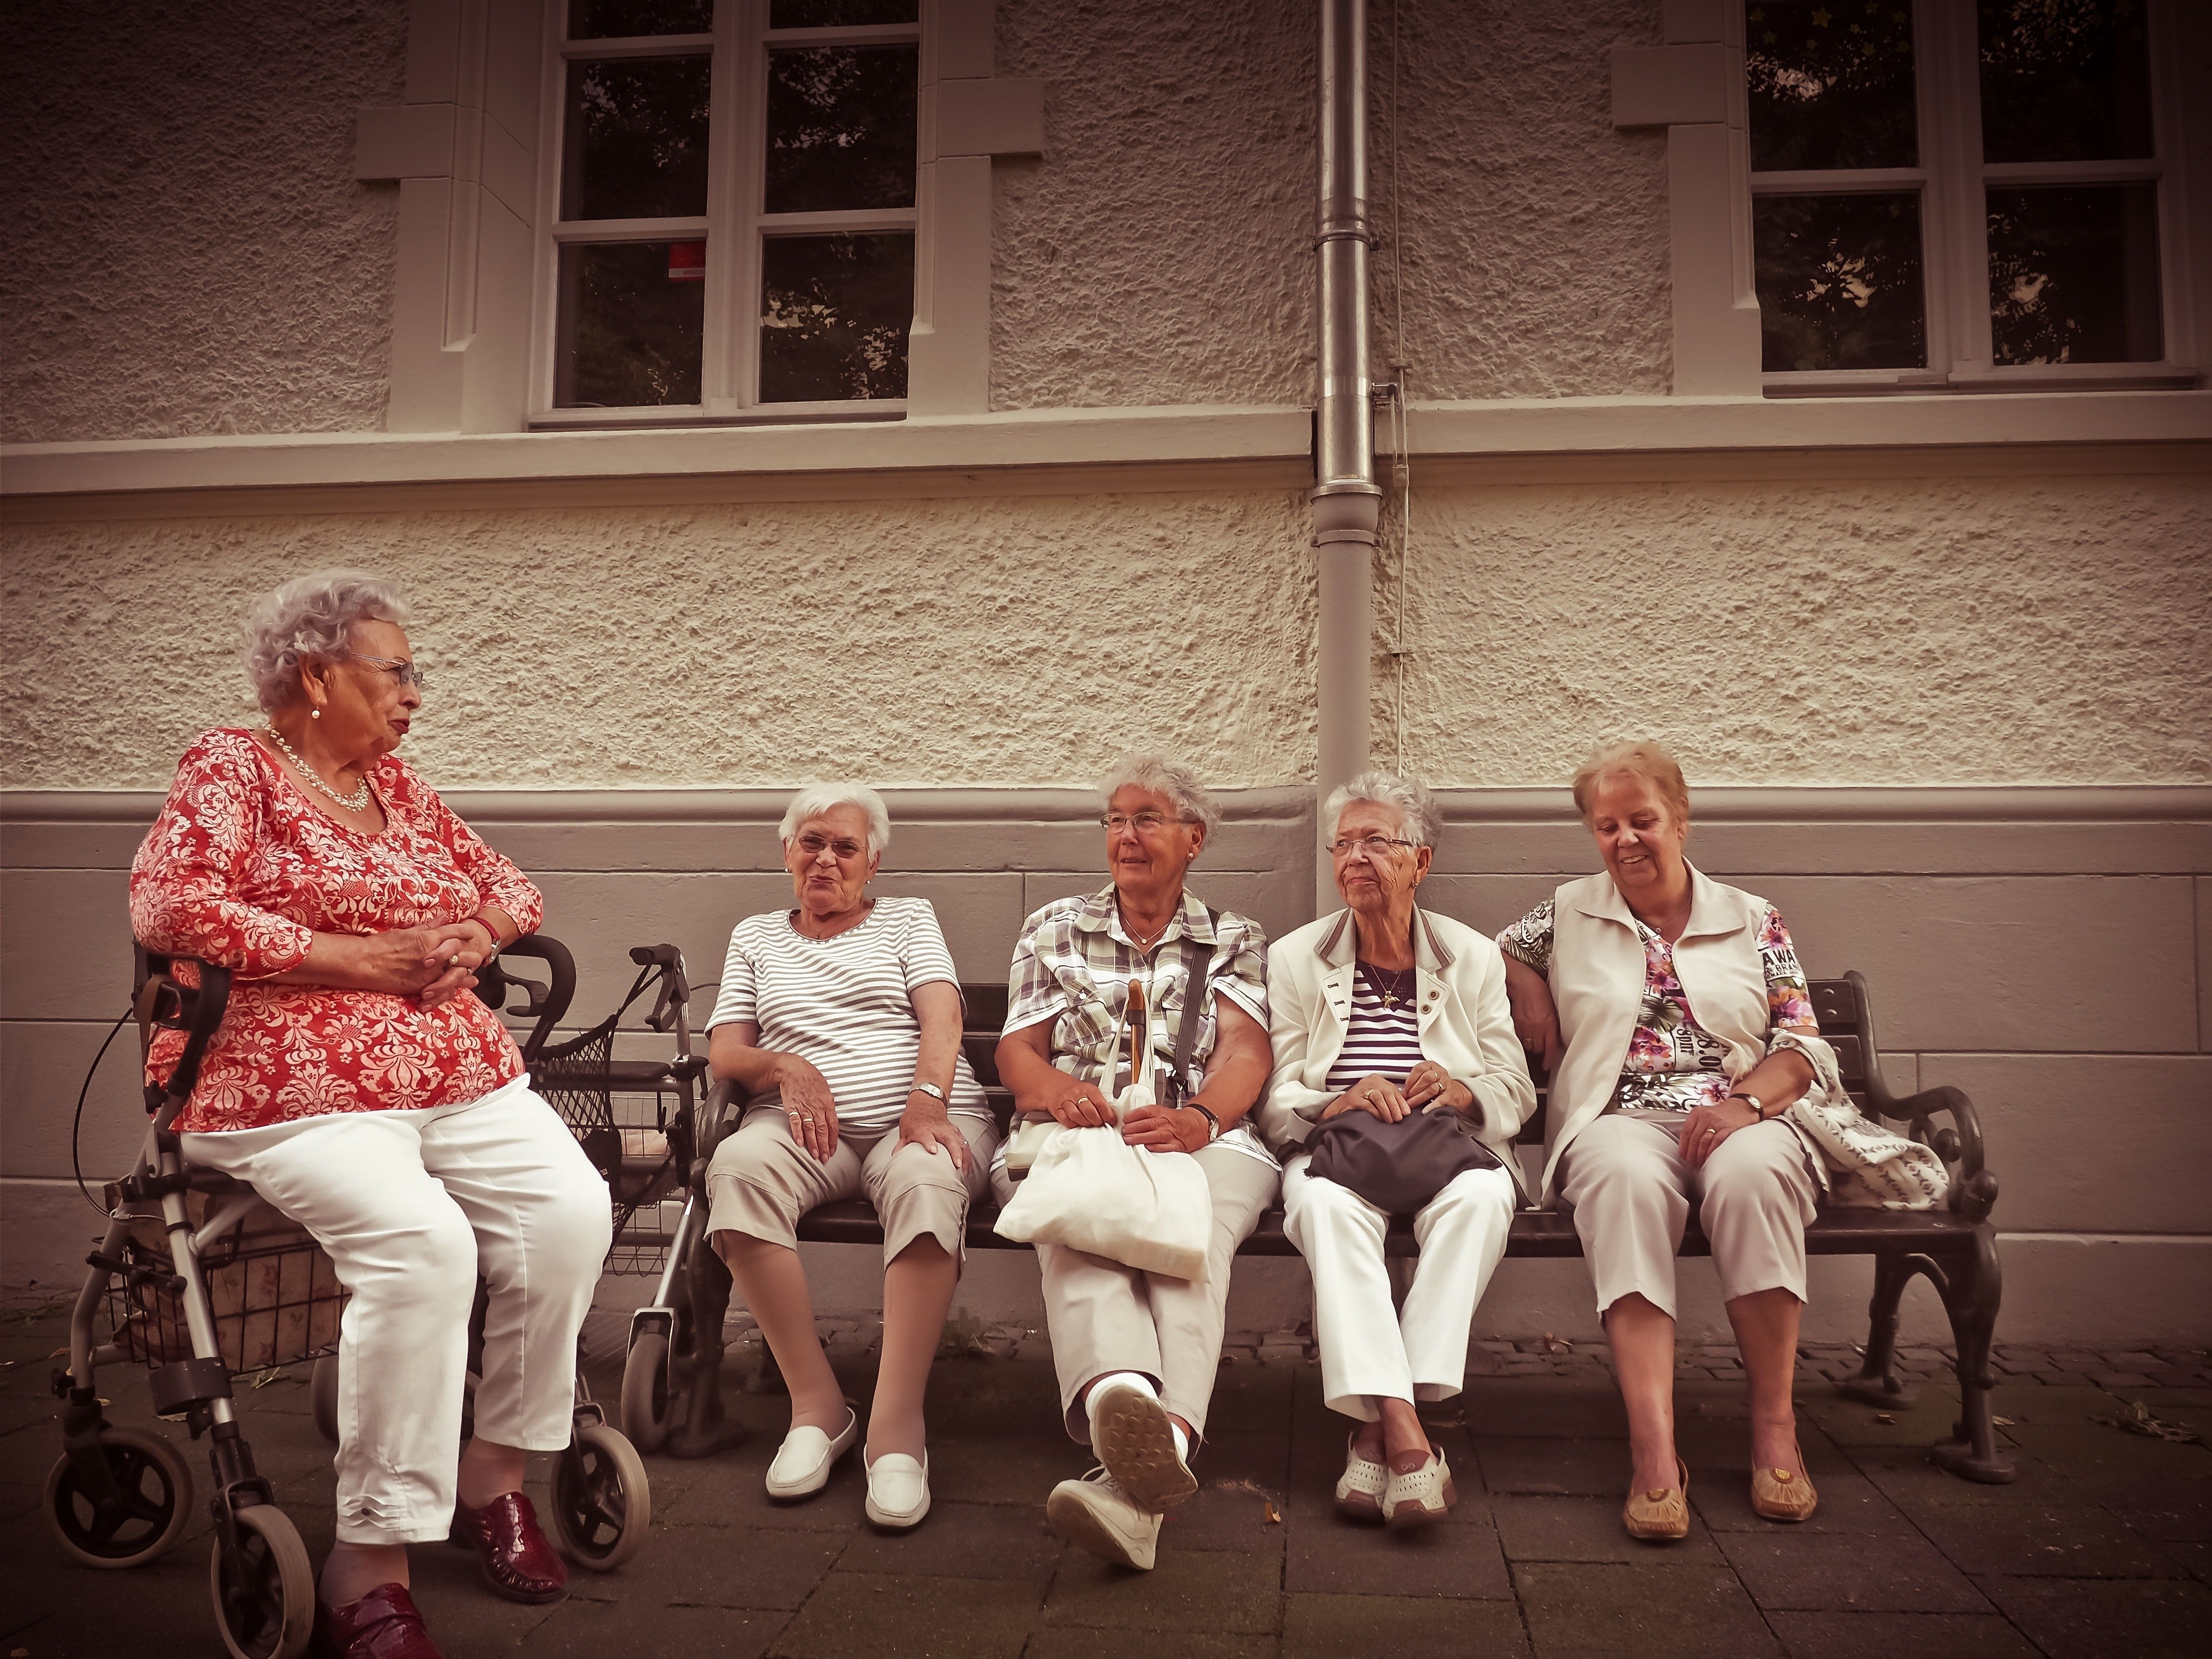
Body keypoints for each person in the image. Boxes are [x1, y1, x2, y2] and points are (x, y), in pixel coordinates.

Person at [131, 571, 611, 1659]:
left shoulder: (404, 791)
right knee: (426, 1247)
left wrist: (478, 936)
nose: (416, 694)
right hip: (288, 1081)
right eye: (398, 670)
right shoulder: (233, 766)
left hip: (453, 1072)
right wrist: (348, 956)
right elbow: (169, 904)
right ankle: (376, 1552)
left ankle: (494, 1477)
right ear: (316, 673)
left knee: (573, 1213)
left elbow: (514, 887)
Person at [1498, 740, 1943, 1541]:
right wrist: (1529, 985)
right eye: (1608, 827)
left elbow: (1805, 1044)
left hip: (1742, 1115)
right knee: (1627, 1185)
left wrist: (1746, 1103)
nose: (1626, 840)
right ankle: (1654, 1450)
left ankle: (1776, 1430)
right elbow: (1493, 954)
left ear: (1681, 820)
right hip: (1616, 1118)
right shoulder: (1566, 910)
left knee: (1754, 1179)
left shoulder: (1751, 917)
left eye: (1643, 821)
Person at [993, 757, 1278, 1571]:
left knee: (1195, 1248)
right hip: (1084, 1132)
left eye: (1147, 819)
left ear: (1194, 839)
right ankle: (1129, 1402)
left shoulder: (1233, 938)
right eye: (1116, 820)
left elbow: (1246, 1053)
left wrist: (1199, 1118)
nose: (1126, 835)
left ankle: (1147, 1452)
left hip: (1207, 1138)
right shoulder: (1055, 927)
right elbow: (1020, 1051)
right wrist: (1061, 1093)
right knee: (1076, 1232)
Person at [702, 784, 996, 1530]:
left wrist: (927, 1096)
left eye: (845, 847)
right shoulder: (756, 937)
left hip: (921, 1115)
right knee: (734, 1170)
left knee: (929, 1179)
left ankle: (897, 1432)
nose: (826, 858)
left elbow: (944, 1014)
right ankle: (819, 1408)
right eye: (812, 842)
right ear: (787, 853)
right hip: (803, 1126)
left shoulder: (907, 918)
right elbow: (727, 1052)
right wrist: (784, 1068)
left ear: (872, 864)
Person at [1261, 771, 1533, 1529]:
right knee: (1319, 1204)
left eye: (1376, 841)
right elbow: (1275, 1094)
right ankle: (1408, 1433)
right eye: (1343, 844)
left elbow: (1515, 1087)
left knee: (1483, 1201)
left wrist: (1459, 1089)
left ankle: (1380, 1427)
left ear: (1422, 861)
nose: (1355, 857)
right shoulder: (1295, 959)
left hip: (1448, 1151)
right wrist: (1337, 1100)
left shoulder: (1471, 957)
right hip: (1339, 1152)